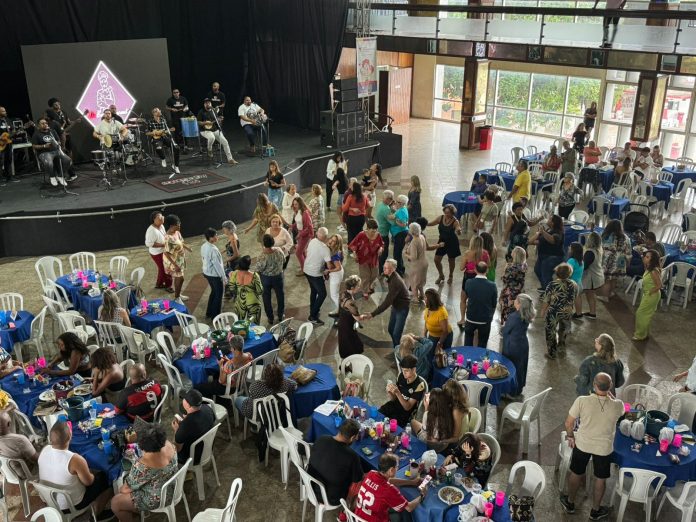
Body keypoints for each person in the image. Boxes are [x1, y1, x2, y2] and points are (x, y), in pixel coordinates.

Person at [560, 373, 624, 520]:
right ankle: (595, 510)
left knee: (576, 472)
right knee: (600, 478)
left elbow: (569, 423)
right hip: (604, 448)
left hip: (582, 444)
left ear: (594, 385)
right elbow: (622, 412)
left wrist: (570, 436)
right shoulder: (617, 405)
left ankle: (570, 503)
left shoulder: (582, 401)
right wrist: (610, 396)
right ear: (611, 386)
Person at [38, 422, 112, 516]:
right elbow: (89, 482)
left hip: (49, 501)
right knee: (105, 477)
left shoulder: (45, 449)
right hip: (71, 505)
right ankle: (98, 512)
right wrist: (91, 473)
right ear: (70, 437)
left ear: (50, 438)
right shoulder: (75, 459)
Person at [111, 424, 178, 522]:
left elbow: (125, 490)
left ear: (142, 446)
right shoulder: (169, 444)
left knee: (115, 502)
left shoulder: (142, 465)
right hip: (174, 486)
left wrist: (121, 487)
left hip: (158, 498)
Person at [354, 453, 428, 521]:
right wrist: (422, 495)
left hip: (358, 517)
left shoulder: (371, 473)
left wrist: (411, 482)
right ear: (391, 470)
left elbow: (390, 480)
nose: (397, 469)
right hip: (377, 519)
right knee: (406, 513)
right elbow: (409, 508)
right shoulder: (389, 489)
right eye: (397, 467)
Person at [308, 418, 363, 506]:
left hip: (310, 486)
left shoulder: (321, 438)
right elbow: (357, 479)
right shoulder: (352, 456)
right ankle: (348, 512)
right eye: (356, 436)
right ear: (353, 437)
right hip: (332, 498)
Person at [366, 259, 410, 347]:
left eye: (386, 268)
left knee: (396, 334)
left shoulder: (395, 282)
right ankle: (396, 346)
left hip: (402, 308)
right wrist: (373, 285)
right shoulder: (389, 274)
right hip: (395, 305)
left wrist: (373, 314)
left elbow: (387, 302)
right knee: (390, 329)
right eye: (384, 267)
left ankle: (398, 353)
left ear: (393, 269)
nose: (384, 269)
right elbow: (382, 275)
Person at [540, 263, 578, 359]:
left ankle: (552, 353)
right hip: (567, 311)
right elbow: (575, 296)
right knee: (563, 329)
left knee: (550, 331)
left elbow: (546, 300)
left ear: (556, 273)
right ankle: (561, 345)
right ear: (569, 274)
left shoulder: (552, 284)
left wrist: (543, 311)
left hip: (554, 312)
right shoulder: (574, 284)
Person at [196, 335, 252, 400]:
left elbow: (221, 381)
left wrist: (221, 366)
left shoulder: (229, 364)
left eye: (231, 347)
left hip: (229, 388)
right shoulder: (249, 355)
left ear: (233, 349)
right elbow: (239, 365)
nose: (230, 349)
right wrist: (228, 361)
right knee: (215, 375)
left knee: (198, 387)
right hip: (240, 382)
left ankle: (206, 402)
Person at [502, 294, 536, 398]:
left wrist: (503, 327)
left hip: (512, 345)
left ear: (520, 304)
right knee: (520, 367)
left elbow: (506, 331)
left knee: (510, 367)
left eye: (516, 300)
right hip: (523, 343)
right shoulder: (527, 314)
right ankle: (518, 388)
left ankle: (510, 392)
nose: (514, 301)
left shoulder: (514, 316)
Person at [379, 355, 426, 428]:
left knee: (391, 428)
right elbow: (393, 399)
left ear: (414, 370)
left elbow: (407, 407)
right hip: (394, 405)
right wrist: (390, 392)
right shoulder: (401, 376)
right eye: (402, 370)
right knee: (378, 416)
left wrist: (398, 393)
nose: (403, 373)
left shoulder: (419, 386)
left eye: (406, 371)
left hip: (403, 413)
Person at [172, 389, 216, 464]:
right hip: (208, 449)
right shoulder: (208, 409)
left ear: (188, 405)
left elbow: (177, 449)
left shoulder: (185, 426)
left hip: (192, 458)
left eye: (184, 399)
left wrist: (176, 430)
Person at [461, 262, 497, 347]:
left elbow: (465, 298)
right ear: (487, 270)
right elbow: (494, 304)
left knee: (468, 342)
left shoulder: (469, 282)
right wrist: (490, 317)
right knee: (483, 343)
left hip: (470, 318)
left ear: (475, 270)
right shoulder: (492, 285)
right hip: (485, 319)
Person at [457, 236, 490, 328]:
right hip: (481, 278)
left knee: (463, 299)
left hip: (468, 278)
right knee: (476, 300)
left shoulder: (467, 253)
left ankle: (463, 319)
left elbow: (461, 268)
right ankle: (475, 321)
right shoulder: (485, 253)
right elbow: (488, 266)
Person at [254, 234, 286, 325]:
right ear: (273, 242)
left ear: (263, 243)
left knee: (266, 298)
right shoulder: (279, 251)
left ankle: (270, 317)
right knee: (280, 295)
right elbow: (284, 261)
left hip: (266, 279)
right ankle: (280, 314)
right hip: (278, 277)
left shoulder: (261, 256)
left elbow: (258, 269)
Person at [349, 218, 385, 299]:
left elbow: (381, 244)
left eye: (375, 230)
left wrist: (380, 249)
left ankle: (368, 287)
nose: (374, 232)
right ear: (367, 229)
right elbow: (353, 245)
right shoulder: (361, 235)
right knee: (365, 276)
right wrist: (354, 253)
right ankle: (365, 291)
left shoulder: (378, 235)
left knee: (375, 275)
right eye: (372, 231)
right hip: (363, 259)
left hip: (374, 259)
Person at [304, 227, 332, 326]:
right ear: (326, 237)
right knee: (322, 294)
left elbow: (306, 252)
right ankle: (312, 316)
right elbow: (329, 266)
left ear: (317, 234)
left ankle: (313, 309)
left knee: (314, 291)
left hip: (306, 270)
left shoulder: (312, 241)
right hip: (316, 274)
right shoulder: (325, 249)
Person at [633, 249, 663, 341]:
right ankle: (644, 333)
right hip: (648, 294)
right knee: (646, 314)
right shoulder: (649, 268)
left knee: (641, 313)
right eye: (645, 256)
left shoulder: (653, 271)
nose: (644, 258)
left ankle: (640, 335)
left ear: (652, 260)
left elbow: (659, 285)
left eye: (647, 257)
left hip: (652, 295)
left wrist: (650, 292)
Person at [529, 214, 565, 289]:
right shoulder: (549, 230)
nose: (547, 220)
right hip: (543, 256)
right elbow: (539, 241)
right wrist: (534, 239)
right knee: (537, 270)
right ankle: (545, 288)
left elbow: (553, 240)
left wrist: (543, 232)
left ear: (553, 222)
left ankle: (549, 291)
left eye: (549, 219)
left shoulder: (558, 232)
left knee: (546, 275)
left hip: (552, 257)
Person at [163, 214, 192, 304]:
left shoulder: (177, 232)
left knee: (179, 278)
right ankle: (177, 298)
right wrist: (175, 265)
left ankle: (178, 295)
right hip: (173, 262)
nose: (179, 225)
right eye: (177, 224)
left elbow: (181, 242)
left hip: (179, 259)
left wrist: (187, 248)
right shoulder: (169, 238)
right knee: (181, 278)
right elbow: (166, 253)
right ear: (171, 226)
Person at [31, 118, 70, 187]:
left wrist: (56, 143)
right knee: (49, 162)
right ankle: (52, 177)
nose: (45, 124)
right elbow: (34, 146)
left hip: (55, 151)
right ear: (38, 125)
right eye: (42, 123)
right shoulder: (36, 134)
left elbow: (58, 141)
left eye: (46, 123)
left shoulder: (52, 131)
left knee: (68, 160)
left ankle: (60, 176)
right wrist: (44, 146)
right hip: (44, 152)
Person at [430, 204, 462, 285]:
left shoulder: (455, 221)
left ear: (452, 213)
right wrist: (422, 223)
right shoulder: (441, 218)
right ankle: (441, 275)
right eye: (445, 212)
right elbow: (431, 223)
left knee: (451, 260)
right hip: (442, 242)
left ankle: (451, 275)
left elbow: (458, 229)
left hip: (452, 243)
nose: (446, 214)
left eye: (448, 213)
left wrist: (458, 231)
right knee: (436, 260)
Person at [0, 411, 39, 480]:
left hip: (8, 475)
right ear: (9, 424)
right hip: (27, 474)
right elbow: (37, 459)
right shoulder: (20, 440)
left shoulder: (19, 440)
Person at [197, 98, 238, 164]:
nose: (207, 104)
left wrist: (219, 120)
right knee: (212, 137)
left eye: (209, 103)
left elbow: (217, 122)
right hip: (205, 130)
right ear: (204, 104)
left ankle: (230, 159)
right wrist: (206, 123)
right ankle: (209, 149)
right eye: (206, 103)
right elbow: (198, 122)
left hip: (215, 129)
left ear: (211, 104)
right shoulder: (201, 111)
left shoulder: (213, 111)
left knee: (225, 142)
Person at [337, 275, 367, 359]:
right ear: (353, 287)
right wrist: (367, 315)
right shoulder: (350, 304)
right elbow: (358, 318)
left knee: (347, 342)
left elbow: (352, 296)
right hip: (347, 325)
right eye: (358, 286)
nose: (359, 287)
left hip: (342, 322)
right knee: (352, 344)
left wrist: (362, 294)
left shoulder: (343, 293)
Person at [600, 219, 632, 298]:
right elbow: (628, 252)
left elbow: (600, 248)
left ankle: (605, 296)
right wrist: (627, 263)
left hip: (608, 261)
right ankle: (611, 293)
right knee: (614, 279)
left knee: (607, 280)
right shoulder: (626, 238)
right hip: (620, 261)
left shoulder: (605, 236)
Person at [201, 227, 227, 319]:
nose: (217, 237)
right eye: (216, 235)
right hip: (214, 275)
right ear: (211, 238)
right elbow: (218, 265)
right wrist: (224, 277)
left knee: (214, 292)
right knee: (218, 295)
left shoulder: (204, 246)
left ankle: (209, 312)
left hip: (207, 272)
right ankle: (215, 316)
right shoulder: (213, 249)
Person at [228, 255, 263, 324]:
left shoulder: (234, 274)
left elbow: (231, 288)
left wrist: (238, 292)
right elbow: (260, 291)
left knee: (240, 325)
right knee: (253, 325)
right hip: (253, 303)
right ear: (249, 264)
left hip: (240, 302)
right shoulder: (255, 276)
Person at [499, 246, 528, 324]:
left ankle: (506, 325)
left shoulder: (511, 268)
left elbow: (504, 279)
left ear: (515, 255)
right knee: (516, 308)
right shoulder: (524, 265)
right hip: (520, 290)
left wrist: (505, 268)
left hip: (510, 292)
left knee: (507, 308)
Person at [146, 107, 180, 174]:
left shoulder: (163, 120)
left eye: (159, 111)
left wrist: (168, 130)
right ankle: (163, 158)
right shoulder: (150, 121)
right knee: (158, 148)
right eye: (157, 111)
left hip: (164, 137)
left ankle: (176, 166)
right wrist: (155, 132)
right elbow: (147, 133)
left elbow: (165, 131)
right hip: (156, 139)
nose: (159, 112)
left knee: (176, 148)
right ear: (154, 113)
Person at [145, 211, 172, 292]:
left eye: (162, 216)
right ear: (154, 220)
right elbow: (149, 243)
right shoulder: (151, 230)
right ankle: (169, 286)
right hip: (157, 253)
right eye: (159, 218)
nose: (162, 218)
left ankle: (159, 284)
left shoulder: (161, 226)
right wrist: (163, 245)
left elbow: (164, 235)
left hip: (162, 251)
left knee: (161, 268)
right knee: (165, 268)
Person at [581, 231, 605, 319]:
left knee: (578, 294)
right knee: (590, 295)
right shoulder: (599, 250)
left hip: (592, 278)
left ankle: (579, 313)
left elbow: (584, 266)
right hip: (597, 276)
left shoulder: (590, 252)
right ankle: (592, 313)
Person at [405, 222, 428, 302]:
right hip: (424, 262)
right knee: (420, 281)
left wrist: (405, 255)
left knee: (414, 282)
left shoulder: (415, 241)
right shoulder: (422, 236)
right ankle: (422, 294)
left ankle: (415, 298)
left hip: (417, 265)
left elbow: (414, 257)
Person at [387, 195, 409, 276]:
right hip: (399, 234)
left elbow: (403, 224)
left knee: (397, 253)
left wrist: (394, 220)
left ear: (403, 203)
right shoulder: (401, 209)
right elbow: (397, 214)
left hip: (401, 234)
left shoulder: (402, 211)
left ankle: (399, 272)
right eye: (396, 201)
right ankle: (401, 268)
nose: (396, 203)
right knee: (398, 253)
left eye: (398, 202)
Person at [326, 234, 345, 319]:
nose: (331, 241)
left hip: (336, 274)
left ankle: (341, 311)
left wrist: (328, 271)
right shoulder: (335, 250)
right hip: (337, 274)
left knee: (334, 295)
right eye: (331, 239)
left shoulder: (335, 254)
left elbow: (338, 267)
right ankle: (339, 309)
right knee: (336, 293)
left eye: (334, 241)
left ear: (337, 244)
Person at [291, 196, 314, 272]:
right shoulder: (298, 211)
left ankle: (303, 269)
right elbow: (298, 222)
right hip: (301, 234)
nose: (294, 206)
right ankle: (305, 266)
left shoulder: (305, 213)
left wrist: (300, 235)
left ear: (300, 204)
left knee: (298, 253)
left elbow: (309, 227)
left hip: (305, 236)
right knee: (302, 252)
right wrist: (292, 226)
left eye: (296, 204)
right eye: (294, 204)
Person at [376, 191, 395, 270]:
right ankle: (381, 270)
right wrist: (395, 213)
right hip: (383, 233)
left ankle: (379, 267)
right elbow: (392, 222)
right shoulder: (386, 209)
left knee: (381, 251)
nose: (392, 201)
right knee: (384, 253)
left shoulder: (380, 204)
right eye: (391, 200)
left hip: (379, 229)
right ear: (388, 199)